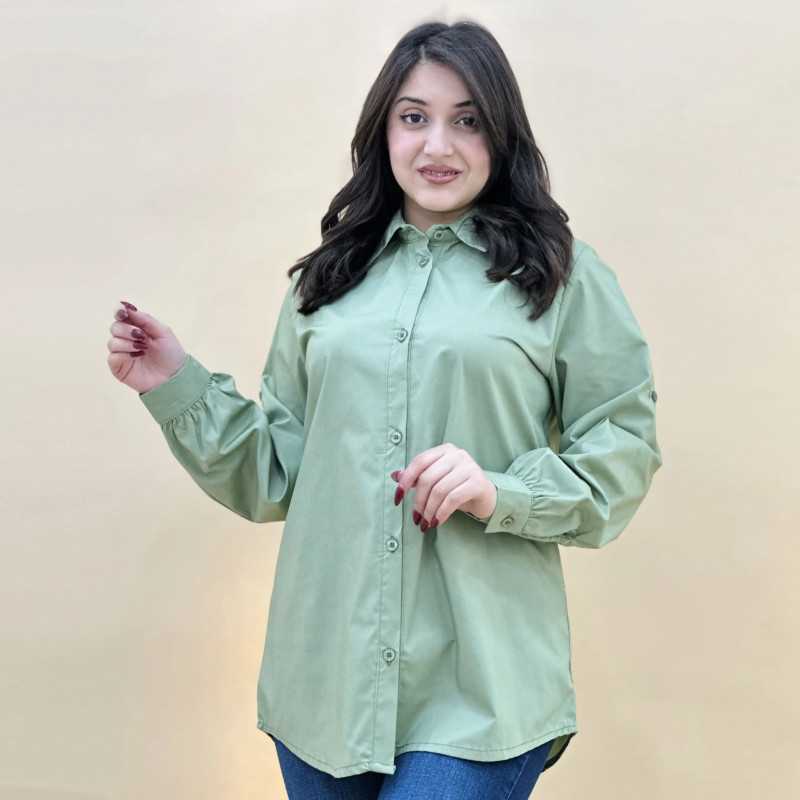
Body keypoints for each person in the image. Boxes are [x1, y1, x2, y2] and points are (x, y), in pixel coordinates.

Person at [107, 19, 662, 800]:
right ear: (384, 131)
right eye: (414, 116)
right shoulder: (326, 280)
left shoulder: (558, 274)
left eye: (467, 120)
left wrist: (498, 490)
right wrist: (174, 382)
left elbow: (623, 446)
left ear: (501, 134)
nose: (438, 144)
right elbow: (278, 473)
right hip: (323, 680)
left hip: (482, 686)